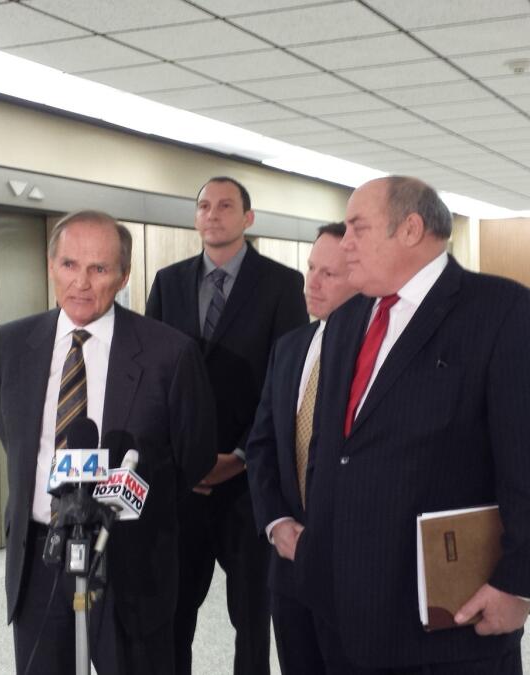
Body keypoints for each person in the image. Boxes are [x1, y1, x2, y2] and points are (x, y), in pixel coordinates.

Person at [295, 177, 530, 674]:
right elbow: (329, 450)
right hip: (339, 612)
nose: (345, 243)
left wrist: (518, 583)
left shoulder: (503, 312)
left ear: (411, 228)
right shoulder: (345, 321)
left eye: (357, 228)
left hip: (445, 625)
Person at [0, 210, 216, 675]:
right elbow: (16, 442)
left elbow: (193, 457)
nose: (81, 283)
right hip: (41, 557)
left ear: (124, 275)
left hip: (131, 561)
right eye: (70, 265)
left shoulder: (169, 353)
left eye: (99, 268)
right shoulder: (10, 345)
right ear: (50, 266)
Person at [146, 176, 308, 675]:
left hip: (249, 483)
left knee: (253, 619)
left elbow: (287, 382)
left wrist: (239, 456)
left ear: (247, 218)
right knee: (174, 614)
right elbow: (150, 376)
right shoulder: (168, 283)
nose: (212, 214)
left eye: (225, 205)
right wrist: (181, 458)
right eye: (203, 206)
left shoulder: (282, 285)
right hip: (182, 485)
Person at [245, 222, 359, 675]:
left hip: (352, 567)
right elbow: (262, 445)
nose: (311, 282)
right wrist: (275, 522)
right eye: (311, 268)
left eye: (329, 274)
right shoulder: (291, 347)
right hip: (290, 565)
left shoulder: (376, 360)